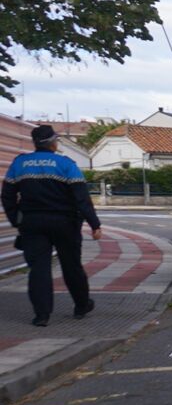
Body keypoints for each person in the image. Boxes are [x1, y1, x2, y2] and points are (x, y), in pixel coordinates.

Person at [2, 124, 102, 326]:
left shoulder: (20, 163)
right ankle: (81, 305)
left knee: (38, 269)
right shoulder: (65, 164)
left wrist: (17, 220)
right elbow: (81, 197)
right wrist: (94, 224)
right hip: (65, 223)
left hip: (32, 223)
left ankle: (42, 315)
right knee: (71, 265)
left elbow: (7, 196)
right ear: (53, 142)